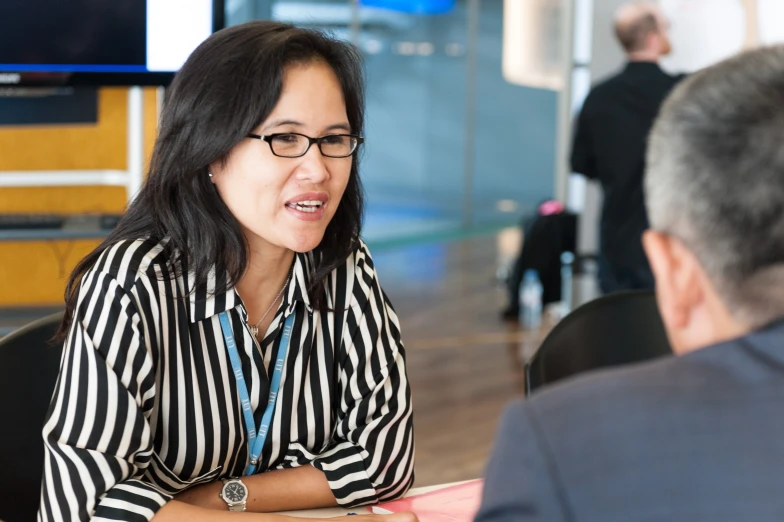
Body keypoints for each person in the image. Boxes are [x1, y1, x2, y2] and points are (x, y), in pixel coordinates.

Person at [38, 21, 415, 522]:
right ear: (212, 151)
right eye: (285, 138)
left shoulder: (345, 264)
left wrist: (218, 499)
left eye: (334, 139)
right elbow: (86, 506)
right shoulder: (131, 283)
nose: (318, 169)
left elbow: (384, 459)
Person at [476, 45, 784, 521]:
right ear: (658, 36)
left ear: (675, 272)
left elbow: (582, 165)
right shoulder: (673, 89)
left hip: (624, 239)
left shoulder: (565, 443)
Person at [571, 1, 682, 294]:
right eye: (666, 27)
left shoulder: (598, 97)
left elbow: (581, 164)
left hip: (615, 242)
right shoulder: (681, 94)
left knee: (615, 327)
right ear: (652, 38)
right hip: (670, 240)